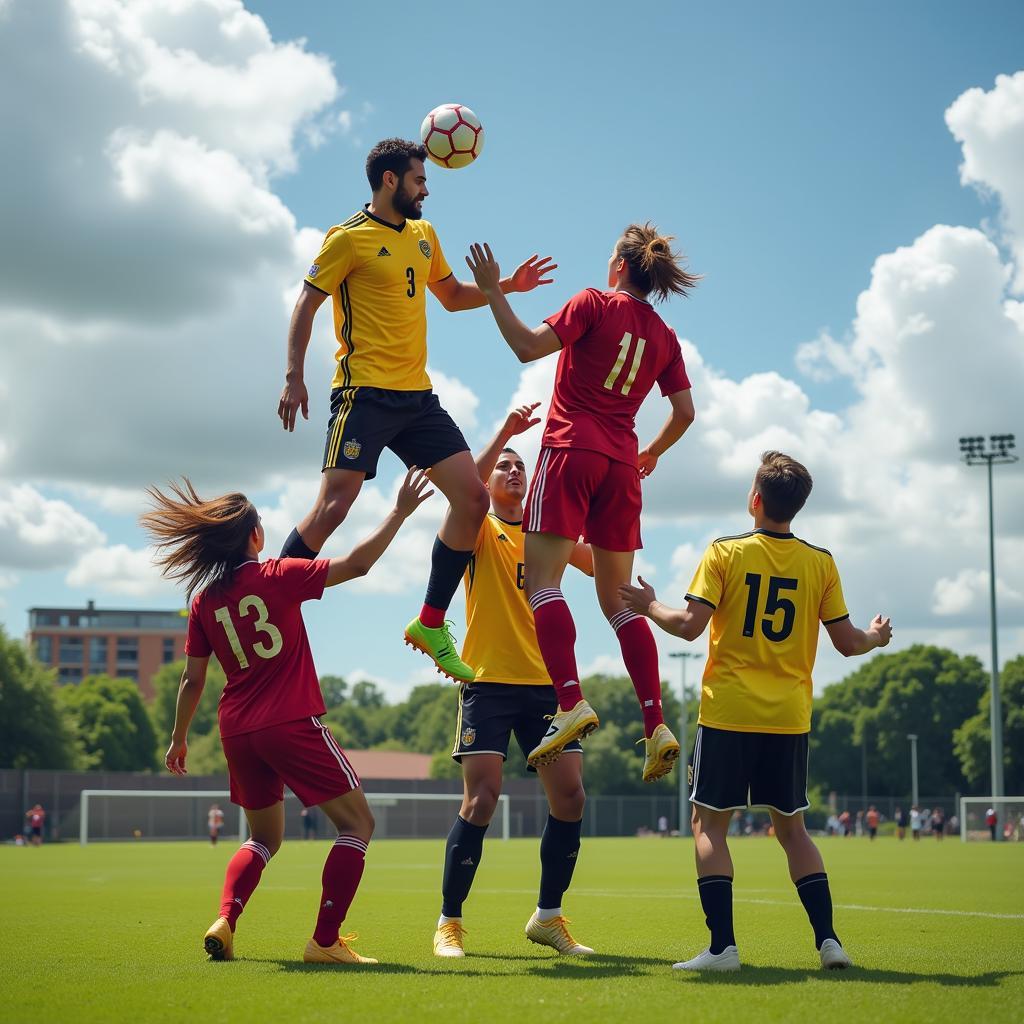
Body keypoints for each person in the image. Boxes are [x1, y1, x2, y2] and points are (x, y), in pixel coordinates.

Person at [276, 137, 556, 684]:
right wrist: (293, 376)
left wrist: (506, 288)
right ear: (389, 181)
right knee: (334, 507)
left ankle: (430, 623)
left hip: (417, 399)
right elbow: (307, 302)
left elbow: (450, 296)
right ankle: (274, 591)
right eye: (419, 180)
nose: (426, 189)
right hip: (363, 395)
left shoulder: (425, 236)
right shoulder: (346, 239)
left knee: (474, 498)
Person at [141, 469, 432, 965]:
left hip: (237, 730)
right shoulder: (278, 575)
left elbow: (192, 680)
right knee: (357, 824)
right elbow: (358, 565)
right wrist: (400, 512)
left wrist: (178, 739)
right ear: (255, 535)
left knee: (262, 838)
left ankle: (226, 919)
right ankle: (324, 942)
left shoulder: (203, 600)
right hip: (290, 721)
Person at [619, 450, 893, 971]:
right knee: (793, 830)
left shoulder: (725, 552)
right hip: (789, 718)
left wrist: (647, 604)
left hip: (729, 713)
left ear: (755, 499)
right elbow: (849, 643)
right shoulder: (821, 562)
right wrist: (878, 638)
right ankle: (829, 942)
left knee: (709, 828)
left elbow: (687, 625)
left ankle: (723, 948)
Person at [464, 226, 698, 781]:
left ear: (618, 265)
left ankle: (569, 701)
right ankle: (656, 724)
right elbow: (685, 412)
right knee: (621, 602)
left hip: (570, 452)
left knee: (541, 583)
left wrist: (494, 290)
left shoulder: (591, 303)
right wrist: (650, 452)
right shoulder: (664, 336)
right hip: (621, 465)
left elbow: (526, 347)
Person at [433, 405, 594, 960]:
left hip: (548, 689)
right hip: (488, 684)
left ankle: (548, 917)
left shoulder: (549, 535)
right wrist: (503, 433)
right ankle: (449, 923)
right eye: (503, 466)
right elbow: (464, 490)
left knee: (570, 797)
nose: (513, 471)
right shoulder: (479, 527)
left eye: (520, 465)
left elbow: (602, 564)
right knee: (481, 799)